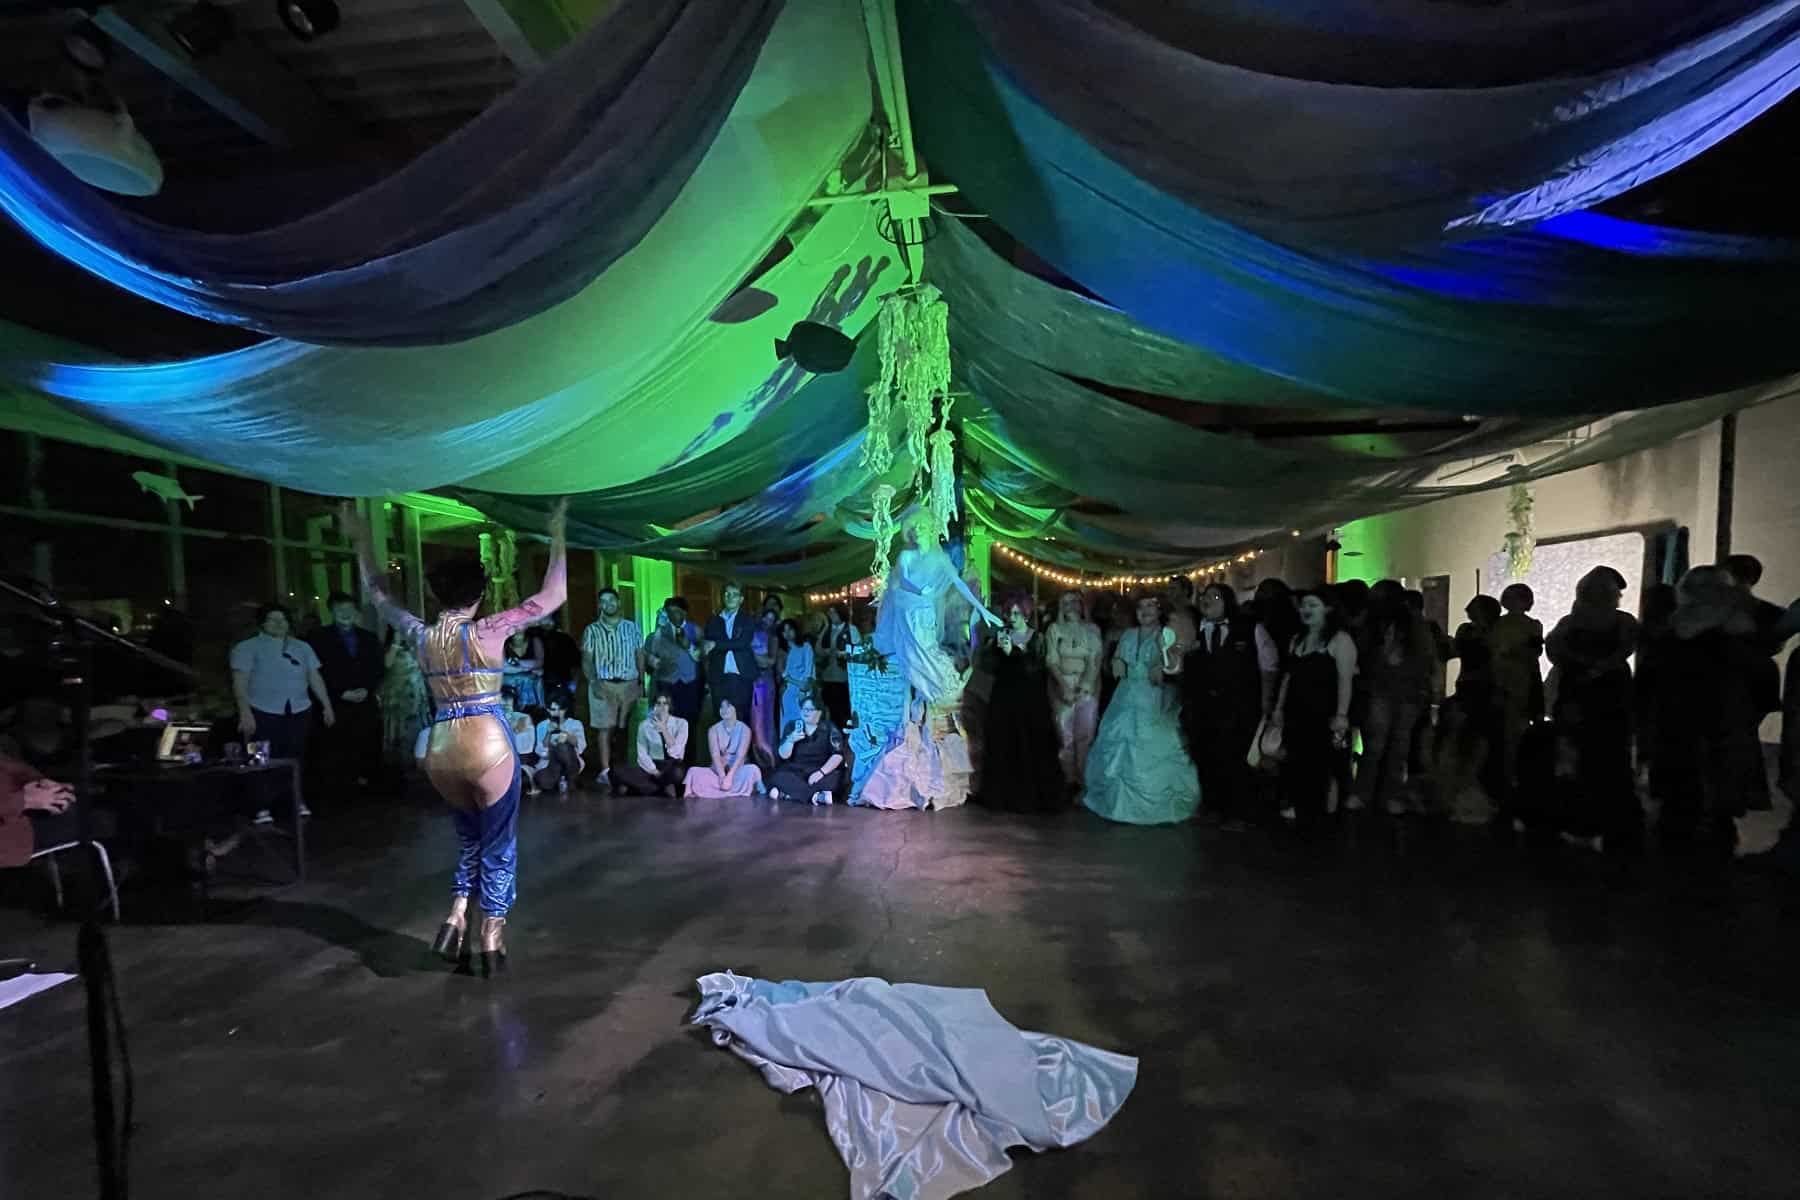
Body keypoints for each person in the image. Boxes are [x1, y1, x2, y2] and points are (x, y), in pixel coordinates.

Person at [347, 498, 568, 977]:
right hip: (487, 742)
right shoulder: (489, 631)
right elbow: (552, 597)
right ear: (480, 592)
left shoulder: (421, 636)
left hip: (442, 745)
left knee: (469, 841)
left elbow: (379, 597)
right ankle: (490, 936)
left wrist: (362, 541)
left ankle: (454, 917)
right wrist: (557, 531)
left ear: (435, 591)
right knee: (499, 844)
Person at [1650, 566, 1770, 854]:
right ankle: (1714, 831)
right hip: (1724, 714)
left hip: (1685, 715)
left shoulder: (1673, 631)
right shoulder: (1740, 630)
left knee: (1688, 775)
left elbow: (1656, 676)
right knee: (1717, 775)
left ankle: (1686, 831)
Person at [1083, 594, 1200, 825]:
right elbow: (1116, 663)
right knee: (1117, 745)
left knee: (1156, 745)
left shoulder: (1166, 634)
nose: (1144, 611)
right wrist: (1116, 663)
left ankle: (1157, 805)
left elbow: (1174, 666)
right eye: (1140, 607)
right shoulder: (1128, 634)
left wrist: (1163, 666)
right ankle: (1115, 803)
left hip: (1155, 696)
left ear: (1159, 611)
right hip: (1126, 695)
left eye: (1150, 606)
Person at [1546, 566, 1640, 849]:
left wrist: (1587, 665)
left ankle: (1593, 820)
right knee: (1590, 757)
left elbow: (1556, 649)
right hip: (1592, 693)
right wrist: (1596, 666)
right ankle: (1605, 821)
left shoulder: (1575, 622)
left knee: (1598, 757)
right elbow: (1555, 649)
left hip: (1596, 694)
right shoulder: (1614, 622)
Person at [872, 511, 1002, 713]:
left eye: (922, 527)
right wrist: (918, 590)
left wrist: (981, 608)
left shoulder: (939, 558)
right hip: (907, 613)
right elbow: (900, 583)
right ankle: (929, 696)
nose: (917, 531)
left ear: (929, 530)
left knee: (927, 652)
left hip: (924, 614)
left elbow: (958, 582)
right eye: (914, 529)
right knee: (910, 658)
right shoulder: (906, 556)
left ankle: (943, 689)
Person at [1180, 582, 1274, 831]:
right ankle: (1214, 806)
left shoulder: (1250, 629)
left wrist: (1265, 702)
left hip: (1238, 705)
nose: (1207, 600)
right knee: (1206, 755)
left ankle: (1240, 812)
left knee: (1235, 758)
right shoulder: (1196, 631)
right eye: (1204, 596)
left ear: (1227, 601)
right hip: (1204, 707)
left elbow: (1268, 666)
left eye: (1215, 596)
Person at [230, 603, 334, 824]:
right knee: (259, 759)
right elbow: (240, 683)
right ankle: (261, 806)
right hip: (262, 710)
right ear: (262, 623)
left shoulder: (302, 647)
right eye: (272, 619)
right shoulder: (247, 647)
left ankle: (294, 801)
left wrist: (327, 705)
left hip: (298, 710)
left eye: (283, 620)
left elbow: (315, 677)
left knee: (295, 758)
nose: (278, 624)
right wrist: (245, 712)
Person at [1270, 589, 1357, 830]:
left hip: (1323, 712)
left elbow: (1345, 679)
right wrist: (1278, 708)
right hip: (1295, 711)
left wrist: (1341, 714)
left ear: (1327, 608)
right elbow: (1288, 675)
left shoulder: (1340, 640)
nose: (1306, 610)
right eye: (1304, 605)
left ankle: (1317, 815)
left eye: (1313, 605)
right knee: (1294, 762)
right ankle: (1299, 808)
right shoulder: (1297, 639)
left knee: (1319, 764)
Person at [1353, 580, 1439, 816]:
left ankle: (1367, 793)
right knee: (1393, 745)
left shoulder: (1376, 624)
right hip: (1402, 689)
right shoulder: (1412, 625)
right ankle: (1386, 795)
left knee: (1382, 745)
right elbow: (1427, 659)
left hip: (1391, 688)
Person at [973, 595, 1064, 812]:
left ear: (1026, 613)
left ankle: (1034, 797)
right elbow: (989, 667)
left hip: (1031, 700)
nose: (1012, 617)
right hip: (1004, 698)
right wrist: (995, 650)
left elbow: (1036, 668)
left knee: (1032, 744)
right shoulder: (1001, 636)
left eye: (1016, 613)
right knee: (1003, 743)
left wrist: (1014, 652)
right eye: (1008, 613)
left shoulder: (1037, 638)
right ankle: (1002, 796)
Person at [306, 592, 386, 803]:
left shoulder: (368, 638)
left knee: (367, 745)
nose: (345, 614)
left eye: (349, 610)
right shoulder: (317, 638)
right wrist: (339, 692)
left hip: (364, 701)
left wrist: (367, 689)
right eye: (340, 610)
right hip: (334, 702)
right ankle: (339, 794)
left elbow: (378, 668)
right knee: (336, 748)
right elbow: (316, 672)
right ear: (331, 612)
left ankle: (367, 790)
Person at [580, 587, 644, 791]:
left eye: (611, 600)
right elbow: (587, 659)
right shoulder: (592, 630)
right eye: (604, 601)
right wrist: (594, 682)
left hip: (629, 682)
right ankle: (606, 771)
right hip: (604, 683)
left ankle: (625, 768)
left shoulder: (632, 627)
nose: (608, 605)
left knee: (626, 727)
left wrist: (642, 680)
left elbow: (639, 654)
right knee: (604, 728)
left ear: (618, 602)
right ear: (600, 605)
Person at [1490, 583, 1545, 796]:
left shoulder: (1504, 626)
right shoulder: (1527, 625)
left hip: (1520, 678)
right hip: (1512, 678)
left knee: (1513, 728)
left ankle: (1511, 774)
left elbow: (1533, 652)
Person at [1045, 590, 1103, 788]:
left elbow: (1095, 659)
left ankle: (1085, 781)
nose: (1070, 606)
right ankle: (1068, 781)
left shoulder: (1092, 630)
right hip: (1062, 686)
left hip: (1087, 686)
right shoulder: (1054, 629)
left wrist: (1085, 687)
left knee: (1085, 736)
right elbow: (1052, 661)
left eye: (1074, 601)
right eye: (1065, 602)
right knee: (1065, 737)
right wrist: (1064, 687)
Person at [0, 750, 77, 870]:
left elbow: (5, 762)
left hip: (21, 789)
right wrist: (24, 799)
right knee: (104, 818)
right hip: (15, 832)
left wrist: (39, 781)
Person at [768, 695, 846, 804]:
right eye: (804, 709)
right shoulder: (792, 726)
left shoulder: (829, 727)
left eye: (810, 709)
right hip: (796, 770)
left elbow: (838, 755)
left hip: (820, 769)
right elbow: (783, 755)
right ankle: (815, 796)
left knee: (837, 779)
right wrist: (790, 740)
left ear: (819, 712)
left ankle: (789, 794)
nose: (806, 712)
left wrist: (820, 773)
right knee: (779, 776)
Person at [614, 690, 690, 797]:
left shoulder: (681, 723)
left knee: (678, 773)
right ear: (654, 706)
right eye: (658, 703)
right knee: (618, 771)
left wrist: (664, 729)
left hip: (672, 764)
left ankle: (645, 789)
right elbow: (642, 754)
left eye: (665, 703)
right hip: (652, 766)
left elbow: (676, 752)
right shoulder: (644, 725)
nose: (662, 707)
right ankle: (657, 789)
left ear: (670, 706)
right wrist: (655, 772)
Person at [647, 597, 704, 737]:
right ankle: (670, 757)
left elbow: (703, 656)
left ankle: (689, 758)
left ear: (684, 613)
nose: (672, 615)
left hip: (689, 684)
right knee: (666, 724)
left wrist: (689, 647)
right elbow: (650, 653)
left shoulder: (695, 630)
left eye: (676, 611)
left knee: (690, 724)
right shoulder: (660, 631)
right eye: (669, 611)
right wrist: (658, 628)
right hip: (667, 684)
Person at [684, 696, 763, 798]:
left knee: (753, 769)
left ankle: (726, 789)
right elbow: (715, 755)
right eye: (722, 707)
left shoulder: (745, 729)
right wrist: (722, 777)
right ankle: (725, 789)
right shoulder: (713, 730)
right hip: (718, 773)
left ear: (735, 708)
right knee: (693, 771)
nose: (724, 710)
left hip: (736, 771)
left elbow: (740, 756)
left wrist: (729, 777)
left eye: (728, 706)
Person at [380, 626, 431, 776]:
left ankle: (418, 768)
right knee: (399, 734)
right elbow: (386, 665)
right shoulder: (388, 648)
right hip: (397, 698)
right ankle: (399, 771)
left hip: (417, 697)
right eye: (400, 631)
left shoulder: (417, 648)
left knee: (418, 732)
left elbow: (425, 668)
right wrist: (395, 645)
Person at [704, 583, 757, 726]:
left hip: (741, 677)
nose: (729, 597)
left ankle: (742, 749)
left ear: (741, 599)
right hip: (719, 678)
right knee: (720, 720)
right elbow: (708, 648)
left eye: (734, 594)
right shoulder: (714, 620)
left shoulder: (747, 620)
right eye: (727, 594)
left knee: (741, 719)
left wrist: (716, 644)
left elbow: (742, 643)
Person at [814, 605, 860, 728]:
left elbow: (858, 651)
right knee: (830, 707)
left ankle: (845, 734)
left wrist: (843, 653)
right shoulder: (826, 630)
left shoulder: (851, 629)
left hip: (844, 676)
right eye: (829, 613)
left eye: (834, 612)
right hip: (828, 675)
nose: (832, 615)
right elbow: (818, 650)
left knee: (844, 708)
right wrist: (826, 652)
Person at [532, 694, 587, 794]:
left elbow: (581, 747)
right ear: (548, 710)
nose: (556, 713)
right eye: (553, 709)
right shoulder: (542, 725)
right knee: (542, 781)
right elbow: (540, 751)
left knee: (563, 747)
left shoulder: (575, 723)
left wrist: (566, 735)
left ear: (565, 709)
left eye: (560, 709)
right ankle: (562, 780)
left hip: (571, 762)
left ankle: (570, 779)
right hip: (550, 764)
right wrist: (548, 733)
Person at [750, 610, 780, 763]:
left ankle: (768, 757)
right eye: (766, 617)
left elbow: (770, 662)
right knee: (753, 720)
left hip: (764, 680)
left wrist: (753, 656)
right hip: (750, 678)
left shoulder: (773, 638)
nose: (767, 622)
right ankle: (756, 757)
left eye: (771, 619)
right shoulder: (751, 632)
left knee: (764, 718)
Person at [535, 615, 582, 710]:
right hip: (537, 686)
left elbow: (576, 664)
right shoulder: (532, 638)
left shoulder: (565, 639)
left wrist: (573, 685)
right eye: (543, 619)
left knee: (565, 716)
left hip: (562, 685)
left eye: (549, 619)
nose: (546, 623)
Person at [777, 618, 815, 732]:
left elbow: (809, 673)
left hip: (804, 693)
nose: (787, 633)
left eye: (790, 629)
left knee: (805, 725)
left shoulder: (806, 647)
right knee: (788, 726)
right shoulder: (782, 651)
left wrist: (802, 686)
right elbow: (781, 673)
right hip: (788, 692)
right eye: (784, 631)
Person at [502, 629, 545, 711]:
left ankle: (535, 708)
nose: (518, 630)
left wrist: (515, 663)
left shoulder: (535, 641)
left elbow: (539, 662)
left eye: (520, 626)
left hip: (529, 676)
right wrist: (526, 668)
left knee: (535, 679)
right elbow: (503, 666)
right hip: (509, 677)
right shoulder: (504, 642)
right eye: (514, 627)